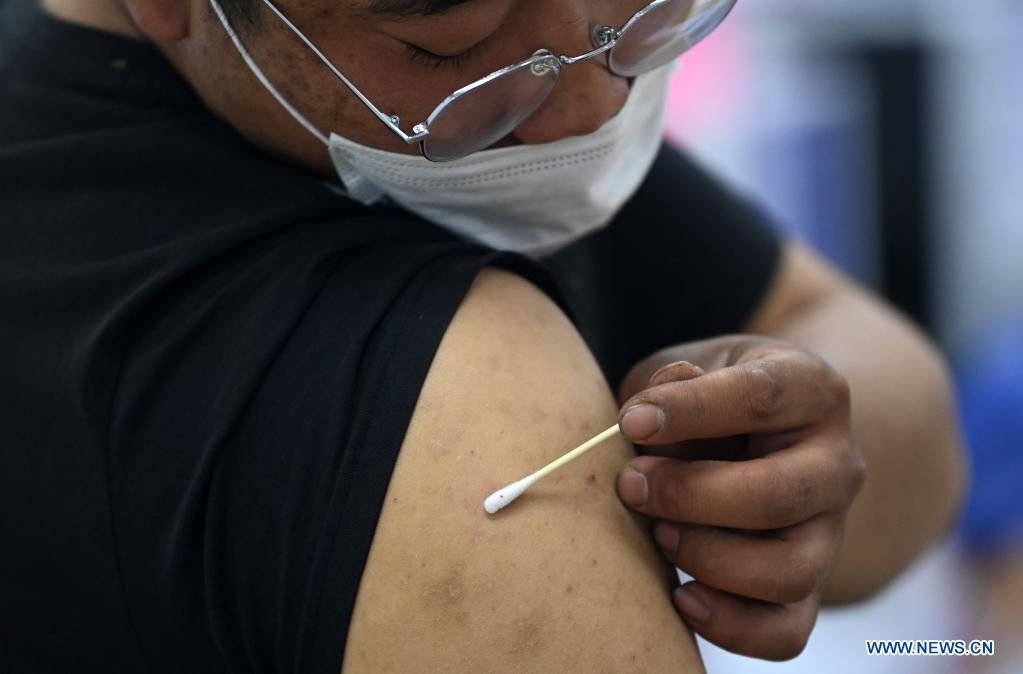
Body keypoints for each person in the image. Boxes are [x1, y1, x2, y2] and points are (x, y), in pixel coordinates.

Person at [0, 0, 966, 671]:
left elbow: (880, 376)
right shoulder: (425, 370)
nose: (593, 111)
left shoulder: (521, 107)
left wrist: (792, 468)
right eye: (451, 44)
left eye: (621, 12)